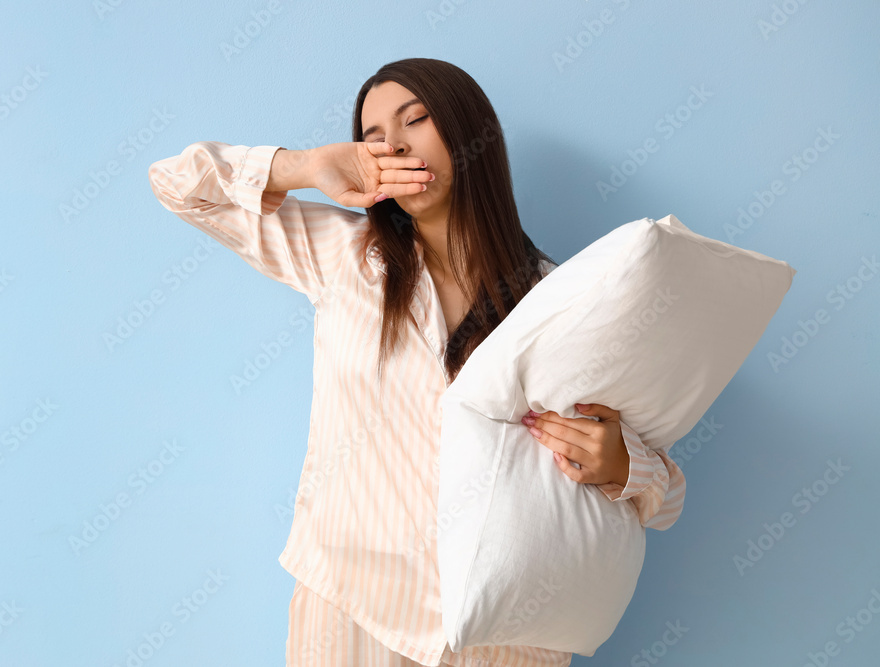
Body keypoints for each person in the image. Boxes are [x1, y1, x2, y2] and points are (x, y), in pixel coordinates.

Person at [148, 57, 685, 667]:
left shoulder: (561, 299)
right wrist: (304, 166)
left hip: (501, 637)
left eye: (416, 119)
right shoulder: (342, 256)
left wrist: (621, 466)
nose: (393, 145)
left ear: (467, 130)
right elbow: (176, 184)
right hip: (353, 612)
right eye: (372, 138)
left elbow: (666, 499)